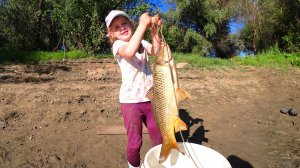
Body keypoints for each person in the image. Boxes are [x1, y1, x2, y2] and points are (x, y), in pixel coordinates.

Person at [105, 10, 163, 168]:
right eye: (116, 27)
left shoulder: (142, 43)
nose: (122, 28)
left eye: (125, 23)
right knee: (135, 142)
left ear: (131, 25)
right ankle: (134, 166)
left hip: (151, 99)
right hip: (130, 103)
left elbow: (157, 52)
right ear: (112, 34)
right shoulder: (118, 45)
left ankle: (158, 164)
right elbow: (130, 52)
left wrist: (154, 31)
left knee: (159, 137)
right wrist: (143, 25)